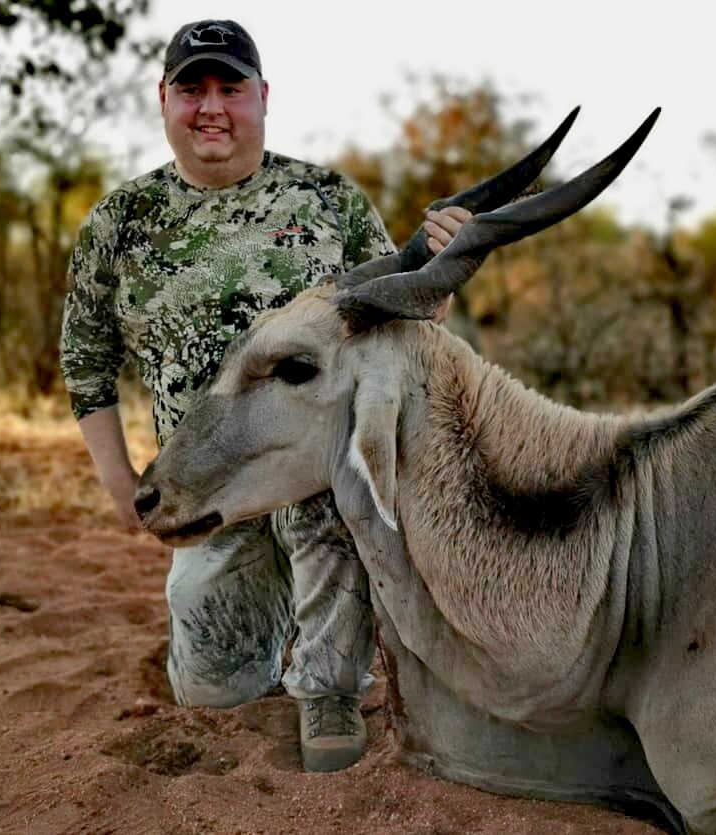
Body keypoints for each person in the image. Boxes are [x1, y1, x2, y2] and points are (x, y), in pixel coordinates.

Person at [59, 19, 469, 773]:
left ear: (262, 98)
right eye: (192, 88)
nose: (211, 106)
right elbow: (85, 359)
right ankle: (267, 634)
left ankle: (331, 686)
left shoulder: (328, 199)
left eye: (230, 88)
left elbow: (394, 315)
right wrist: (121, 482)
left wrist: (439, 273)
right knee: (215, 696)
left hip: (315, 477)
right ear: (164, 99)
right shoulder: (120, 222)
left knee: (337, 506)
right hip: (206, 474)